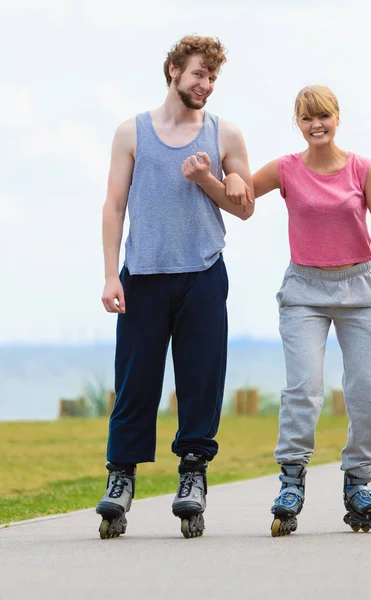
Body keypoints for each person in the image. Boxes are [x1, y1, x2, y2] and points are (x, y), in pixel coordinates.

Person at [223, 85, 371, 536]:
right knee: (304, 388)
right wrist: (220, 178)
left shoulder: (362, 170)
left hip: (360, 289)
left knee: (367, 392)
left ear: (338, 118)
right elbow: (239, 203)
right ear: (298, 124)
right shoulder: (285, 169)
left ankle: (358, 481)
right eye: (307, 118)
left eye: (323, 116)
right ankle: (291, 480)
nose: (316, 124)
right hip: (304, 290)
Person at [96, 35, 254, 540]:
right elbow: (114, 206)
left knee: (200, 379)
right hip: (142, 275)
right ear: (172, 71)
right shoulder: (131, 133)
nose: (205, 85)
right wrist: (108, 274)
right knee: (136, 381)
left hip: (204, 274)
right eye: (197, 75)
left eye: (212, 78)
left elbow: (245, 206)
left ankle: (193, 476)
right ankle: (121, 478)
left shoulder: (225, 134)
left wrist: (209, 180)